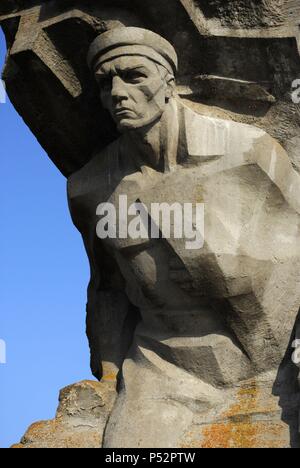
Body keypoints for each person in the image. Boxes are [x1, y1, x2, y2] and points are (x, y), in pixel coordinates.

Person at [68, 27, 300, 447]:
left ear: (168, 83)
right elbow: (109, 288)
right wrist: (108, 376)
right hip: (165, 369)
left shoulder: (249, 151)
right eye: (106, 83)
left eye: (134, 76)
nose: (119, 92)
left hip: (275, 359)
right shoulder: (91, 188)